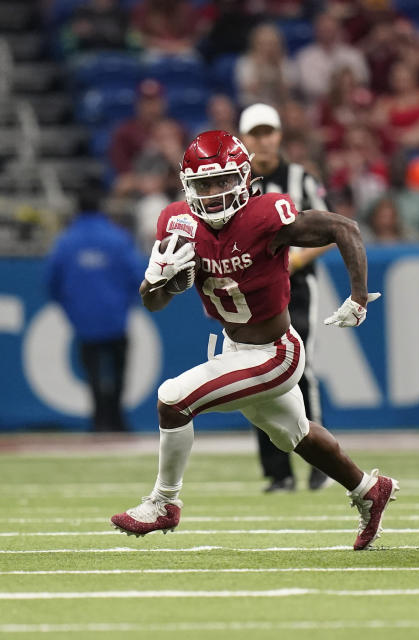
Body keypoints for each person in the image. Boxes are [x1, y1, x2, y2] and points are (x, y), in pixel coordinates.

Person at [110, 130, 397, 551]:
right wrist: (160, 282)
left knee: (173, 398)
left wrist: (357, 295)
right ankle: (369, 488)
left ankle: (164, 502)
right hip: (235, 349)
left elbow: (344, 227)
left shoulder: (266, 216)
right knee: (295, 435)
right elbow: (153, 303)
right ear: (188, 187)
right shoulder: (178, 223)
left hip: (276, 353)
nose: (213, 192)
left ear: (245, 180)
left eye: (223, 181)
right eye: (204, 184)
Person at [239, 103, 332, 492]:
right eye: (255, 134)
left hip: (294, 288)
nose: (262, 140)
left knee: (300, 369)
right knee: (255, 376)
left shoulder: (299, 178)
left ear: (278, 135)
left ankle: (320, 463)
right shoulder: (235, 184)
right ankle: (278, 473)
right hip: (252, 291)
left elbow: (327, 229)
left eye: (268, 132)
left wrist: (292, 260)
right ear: (244, 139)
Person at [45, 181, 143, 432]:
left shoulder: (66, 242)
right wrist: (126, 304)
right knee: (118, 369)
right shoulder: (117, 238)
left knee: (93, 372)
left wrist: (71, 310)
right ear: (101, 206)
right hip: (116, 319)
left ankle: (99, 420)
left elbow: (52, 281)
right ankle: (116, 418)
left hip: (83, 322)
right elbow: (138, 276)